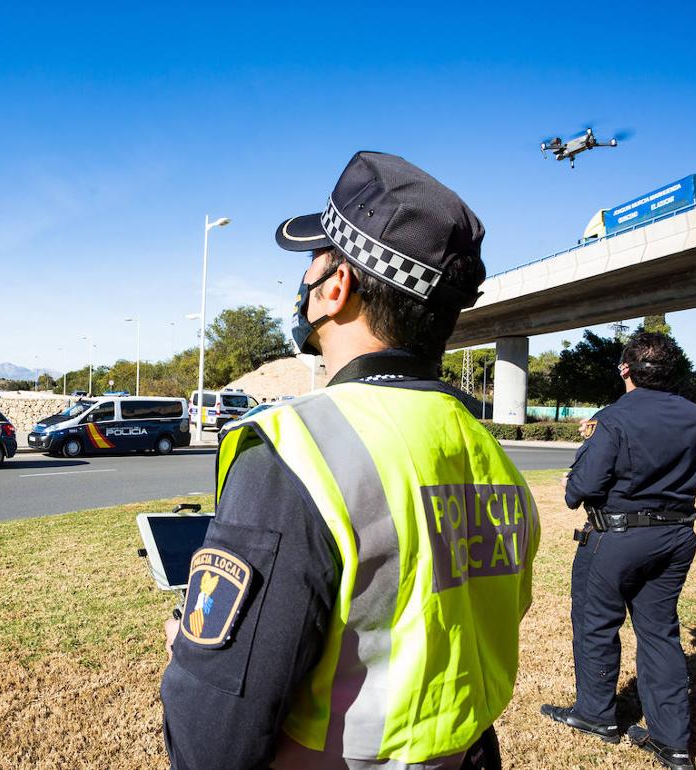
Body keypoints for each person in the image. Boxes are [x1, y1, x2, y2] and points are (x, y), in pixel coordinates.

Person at [160, 152, 540, 769]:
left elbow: (215, 739)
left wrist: (194, 658)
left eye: (312, 262)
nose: (303, 281)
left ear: (335, 289)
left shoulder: (297, 448)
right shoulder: (490, 452)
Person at [542, 332, 696, 770]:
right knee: (659, 632)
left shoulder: (614, 417)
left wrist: (574, 477)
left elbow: (583, 488)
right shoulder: (694, 415)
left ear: (625, 370)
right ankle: (672, 742)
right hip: (675, 537)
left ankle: (596, 715)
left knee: (597, 624)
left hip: (617, 537)